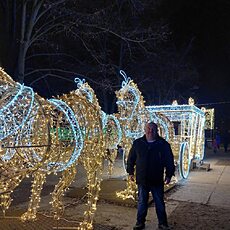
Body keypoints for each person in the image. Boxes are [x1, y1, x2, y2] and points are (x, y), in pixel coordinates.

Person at [127, 122, 175, 230]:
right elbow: (131, 159)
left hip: (156, 179)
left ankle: (163, 223)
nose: (150, 131)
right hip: (142, 179)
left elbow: (169, 160)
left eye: (153, 129)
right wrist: (130, 172)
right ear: (145, 130)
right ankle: (140, 223)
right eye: (148, 128)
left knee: (159, 202)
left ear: (156, 130)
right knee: (142, 202)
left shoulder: (163, 144)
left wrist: (169, 175)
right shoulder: (138, 143)